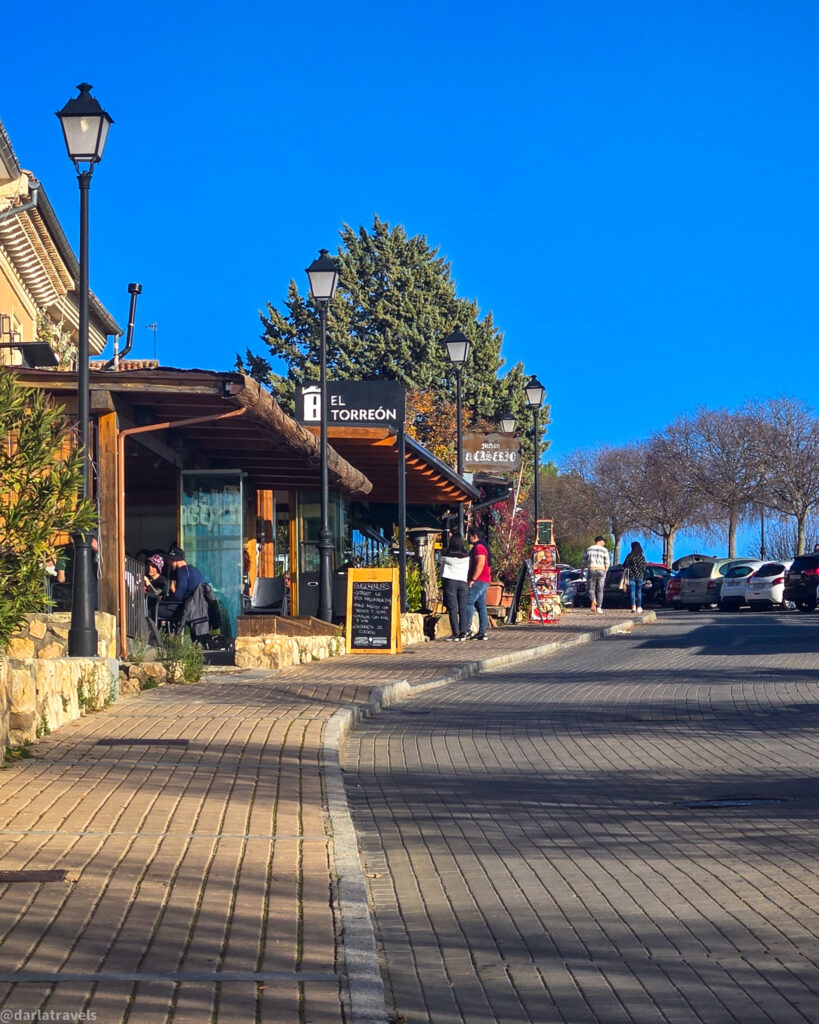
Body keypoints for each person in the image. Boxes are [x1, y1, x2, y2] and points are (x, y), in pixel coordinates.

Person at [440, 533, 471, 641]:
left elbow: (442, 570)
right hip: (463, 582)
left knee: (452, 608)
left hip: (450, 581)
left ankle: (455, 633)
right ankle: (463, 632)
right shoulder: (466, 556)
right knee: (463, 608)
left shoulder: (446, 555)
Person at [464, 526, 491, 640]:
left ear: (475, 536)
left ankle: (467, 629)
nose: (468, 537)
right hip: (484, 580)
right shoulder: (483, 546)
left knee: (468, 602)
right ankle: (482, 632)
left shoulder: (479, 547)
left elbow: (480, 563)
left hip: (479, 580)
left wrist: (473, 579)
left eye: (469, 535)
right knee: (481, 606)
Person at [582, 535, 610, 613]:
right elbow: (607, 562)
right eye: (603, 542)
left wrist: (582, 571)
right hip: (601, 570)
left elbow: (583, 561)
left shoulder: (588, 549)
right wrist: (606, 570)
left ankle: (593, 600)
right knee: (600, 589)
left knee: (591, 588)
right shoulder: (604, 550)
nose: (604, 544)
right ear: (600, 541)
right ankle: (599, 607)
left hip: (592, 569)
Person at [622, 540, 647, 613]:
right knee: (639, 592)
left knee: (632, 591)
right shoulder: (641, 557)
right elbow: (644, 567)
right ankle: (639, 606)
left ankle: (633, 606)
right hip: (640, 576)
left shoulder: (630, 556)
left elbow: (625, 564)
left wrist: (630, 567)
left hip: (632, 576)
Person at [144, 553, 169, 620]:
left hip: (154, 607)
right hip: (142, 604)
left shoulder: (162, 581)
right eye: (149, 565)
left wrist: (147, 582)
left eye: (153, 566)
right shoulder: (144, 576)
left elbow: (155, 593)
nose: (150, 568)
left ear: (158, 568)